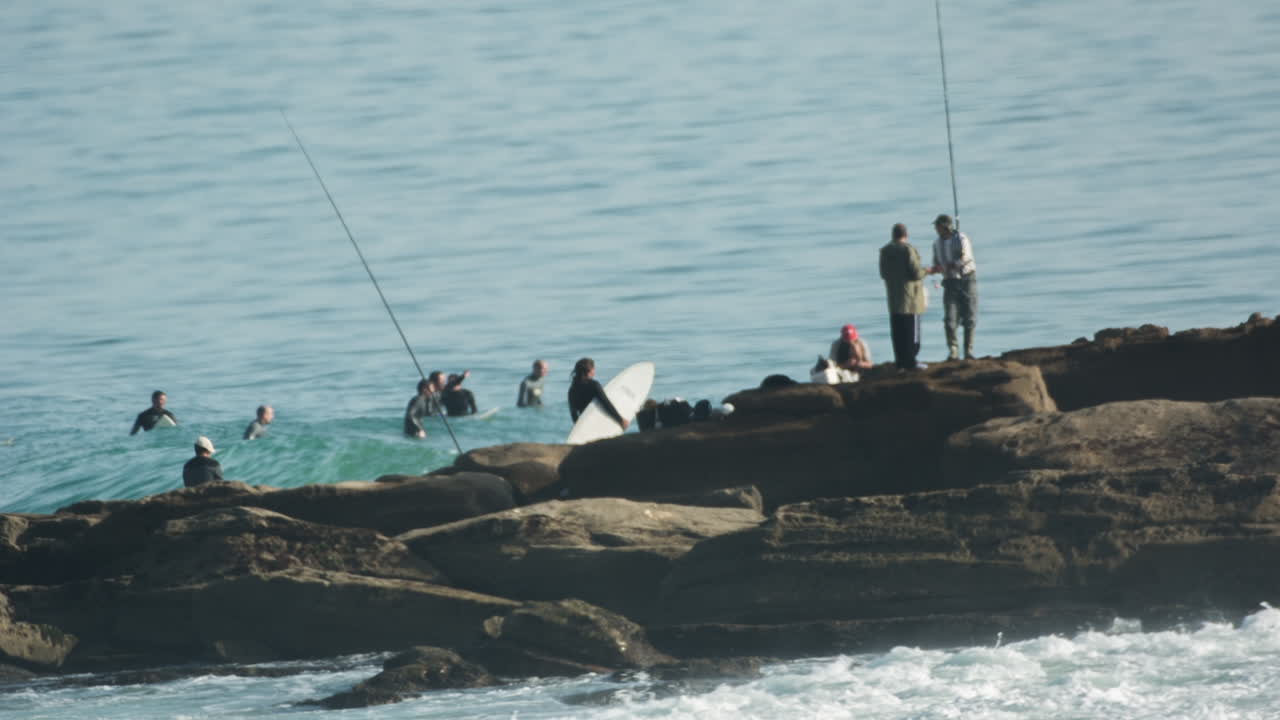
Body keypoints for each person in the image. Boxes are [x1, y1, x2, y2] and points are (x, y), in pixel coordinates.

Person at [879, 223, 929, 370]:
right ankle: (912, 362)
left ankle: (900, 363)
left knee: (898, 334)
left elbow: (883, 274)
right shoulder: (908, 250)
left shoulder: (885, 251)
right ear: (905, 235)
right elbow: (916, 273)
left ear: (893, 235)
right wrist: (928, 270)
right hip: (910, 300)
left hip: (894, 300)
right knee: (912, 335)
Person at [929, 214, 979, 360]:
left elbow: (966, 257)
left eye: (937, 226)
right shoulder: (936, 244)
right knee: (950, 318)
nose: (936, 229)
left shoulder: (961, 239)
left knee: (969, 315)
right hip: (950, 282)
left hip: (967, 279)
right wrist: (936, 268)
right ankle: (953, 351)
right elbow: (936, 262)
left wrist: (953, 265)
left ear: (945, 226)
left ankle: (968, 351)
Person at [568, 358, 629, 429]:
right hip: (600, 421)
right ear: (590, 370)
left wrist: (579, 429)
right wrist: (620, 420)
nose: (594, 371)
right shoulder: (594, 385)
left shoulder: (572, 390)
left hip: (586, 424)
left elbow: (573, 413)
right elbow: (606, 403)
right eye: (594, 369)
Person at [403, 372, 446, 438]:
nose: (433, 390)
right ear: (425, 389)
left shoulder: (423, 399)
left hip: (416, 429)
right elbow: (410, 415)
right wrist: (419, 429)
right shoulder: (418, 399)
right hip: (413, 430)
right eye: (432, 388)